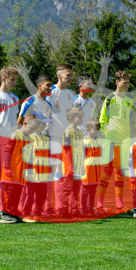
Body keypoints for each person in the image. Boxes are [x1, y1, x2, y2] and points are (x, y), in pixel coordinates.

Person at [98, 70, 136, 210]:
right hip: (111, 140)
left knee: (120, 171)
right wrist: (105, 137)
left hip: (124, 141)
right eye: (124, 83)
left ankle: (119, 201)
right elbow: (102, 120)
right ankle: (100, 201)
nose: (127, 85)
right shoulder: (109, 99)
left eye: (128, 83)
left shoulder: (129, 101)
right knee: (108, 170)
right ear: (117, 82)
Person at [0, 66, 21, 218]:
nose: (14, 83)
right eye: (11, 80)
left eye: (15, 80)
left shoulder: (15, 98)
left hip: (11, 141)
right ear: (3, 79)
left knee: (9, 174)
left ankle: (6, 206)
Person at [0, 109, 44, 224]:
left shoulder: (29, 139)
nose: (32, 131)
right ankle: (6, 214)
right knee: (9, 193)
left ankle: (14, 213)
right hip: (11, 172)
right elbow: (7, 152)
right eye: (31, 128)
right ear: (24, 124)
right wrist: (7, 168)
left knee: (17, 193)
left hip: (21, 173)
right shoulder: (15, 135)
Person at [48, 64, 77, 212]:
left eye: (71, 75)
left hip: (67, 139)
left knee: (66, 172)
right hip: (53, 137)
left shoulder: (71, 94)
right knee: (54, 171)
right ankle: (50, 206)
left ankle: (61, 206)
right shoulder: (50, 92)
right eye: (68, 75)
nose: (70, 78)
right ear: (59, 76)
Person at [61, 107, 86, 216]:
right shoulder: (68, 131)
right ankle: (63, 210)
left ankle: (74, 209)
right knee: (67, 188)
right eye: (79, 117)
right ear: (71, 119)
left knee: (76, 188)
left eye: (82, 117)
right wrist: (71, 166)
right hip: (69, 165)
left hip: (78, 164)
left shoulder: (80, 132)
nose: (81, 119)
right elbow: (66, 150)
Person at [82, 119, 104, 214]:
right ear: (88, 129)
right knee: (85, 189)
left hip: (96, 169)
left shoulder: (98, 141)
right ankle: (83, 209)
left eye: (97, 130)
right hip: (87, 169)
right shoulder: (85, 141)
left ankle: (90, 208)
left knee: (93, 189)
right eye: (95, 129)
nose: (96, 131)